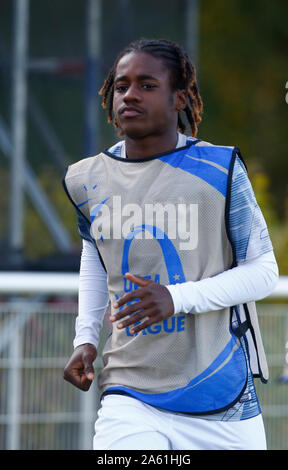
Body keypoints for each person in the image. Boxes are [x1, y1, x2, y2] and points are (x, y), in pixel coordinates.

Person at [63, 38, 279, 450]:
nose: (129, 94)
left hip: (220, 398)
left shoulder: (220, 170)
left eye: (147, 85)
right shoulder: (87, 179)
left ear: (180, 98)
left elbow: (264, 271)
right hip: (130, 392)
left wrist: (176, 298)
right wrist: (85, 340)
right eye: (121, 85)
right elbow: (95, 258)